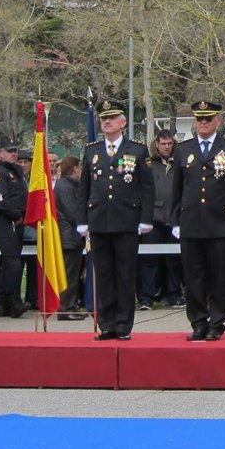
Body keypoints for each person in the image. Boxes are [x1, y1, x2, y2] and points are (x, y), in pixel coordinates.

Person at [79, 99, 155, 341]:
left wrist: (146, 219)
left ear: (123, 123)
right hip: (99, 221)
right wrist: (83, 220)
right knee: (103, 275)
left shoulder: (137, 150)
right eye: (104, 119)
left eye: (111, 118)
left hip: (126, 221)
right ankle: (107, 324)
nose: (107, 122)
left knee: (125, 274)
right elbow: (84, 188)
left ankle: (123, 325)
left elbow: (147, 188)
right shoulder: (92, 150)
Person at [171, 100, 225, 341]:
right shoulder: (183, 149)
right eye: (199, 119)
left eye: (208, 118)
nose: (203, 123)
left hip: (220, 222)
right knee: (193, 277)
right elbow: (176, 189)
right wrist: (175, 221)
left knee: (219, 276)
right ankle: (198, 322)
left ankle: (217, 322)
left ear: (218, 121)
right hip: (191, 222)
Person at [139, 129, 184, 309]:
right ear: (156, 144)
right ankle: (146, 298)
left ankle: (174, 295)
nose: (166, 147)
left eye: (169, 143)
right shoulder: (149, 164)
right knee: (149, 260)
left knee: (174, 259)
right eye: (163, 144)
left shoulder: (180, 163)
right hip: (154, 219)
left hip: (174, 219)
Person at [0, 140, 29, 318]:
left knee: (10, 262)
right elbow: (0, 200)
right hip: (5, 221)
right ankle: (13, 301)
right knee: (13, 262)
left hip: (17, 221)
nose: (14, 154)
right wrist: (16, 215)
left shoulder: (15, 172)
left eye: (15, 151)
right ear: (1, 154)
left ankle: (4, 303)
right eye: (10, 151)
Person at [53, 155, 87, 321]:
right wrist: (85, 222)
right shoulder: (65, 186)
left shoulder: (69, 185)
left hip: (72, 236)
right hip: (69, 236)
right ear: (74, 169)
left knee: (72, 273)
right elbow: (72, 211)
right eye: (79, 168)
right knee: (69, 274)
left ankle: (70, 305)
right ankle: (66, 307)